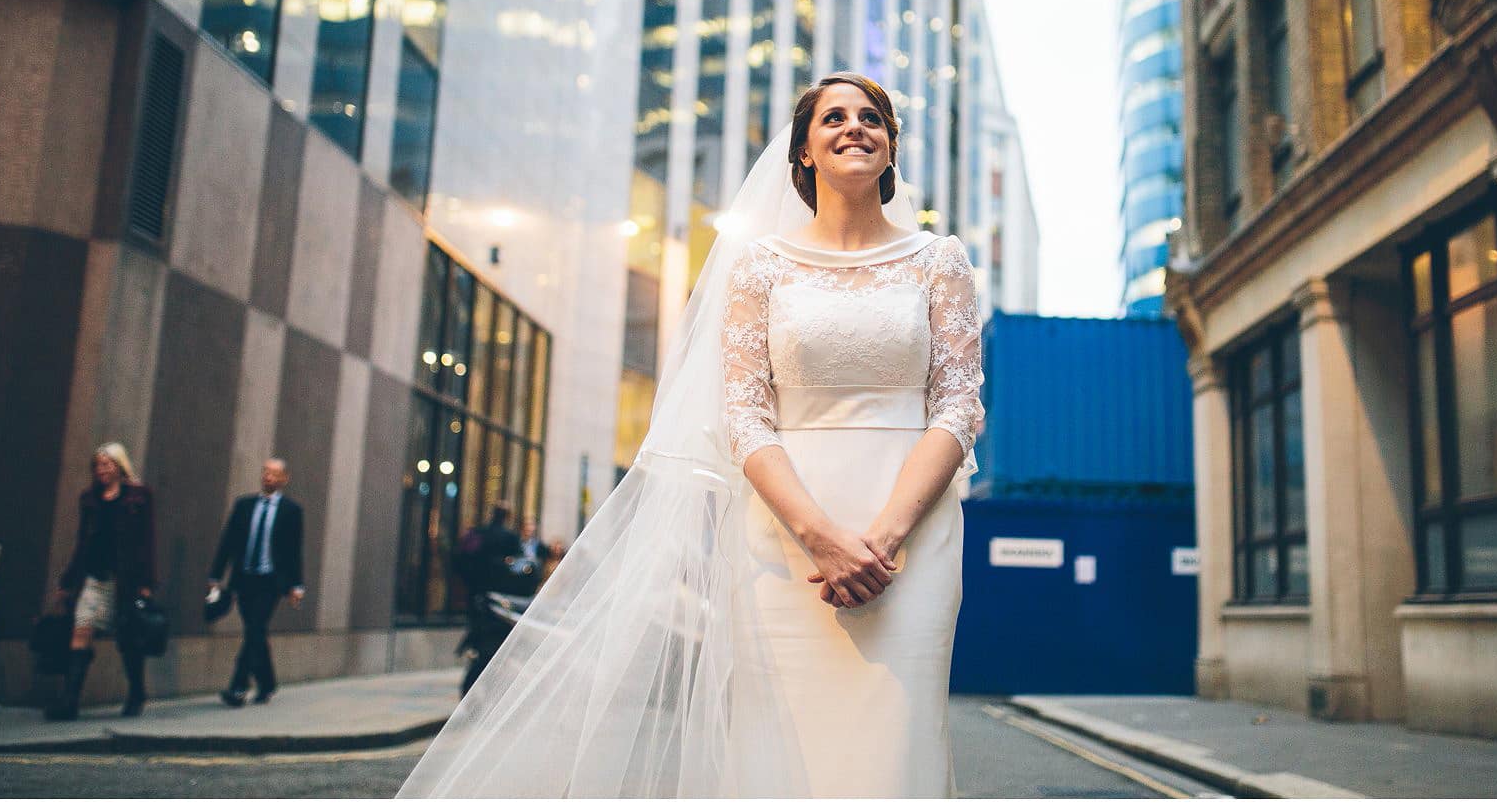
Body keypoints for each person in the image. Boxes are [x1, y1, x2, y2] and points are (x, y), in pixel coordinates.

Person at [400, 72, 984, 797]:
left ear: (891, 146)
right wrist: (823, 539)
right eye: (833, 117)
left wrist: (885, 538)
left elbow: (957, 407)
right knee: (782, 747)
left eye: (872, 117)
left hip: (913, 542)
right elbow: (743, 415)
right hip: (785, 539)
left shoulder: (939, 261)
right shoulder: (760, 265)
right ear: (803, 149)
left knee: (896, 746)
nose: (854, 126)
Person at [48, 443, 157, 720]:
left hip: (124, 581)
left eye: (107, 465)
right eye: (98, 465)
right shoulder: (90, 499)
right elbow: (82, 542)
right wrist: (68, 581)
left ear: (120, 466)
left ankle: (136, 692)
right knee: (81, 630)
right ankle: (69, 701)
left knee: (127, 638)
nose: (102, 470)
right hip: (94, 578)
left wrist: (147, 582)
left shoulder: (139, 497)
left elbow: (147, 541)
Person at [208, 458, 305, 707]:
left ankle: (238, 687)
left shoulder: (291, 511)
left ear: (284, 479)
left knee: (255, 629)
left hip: (271, 581)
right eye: (265, 472)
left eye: (274, 474)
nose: (268, 477)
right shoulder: (244, 505)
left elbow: (295, 551)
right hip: (244, 579)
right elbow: (227, 543)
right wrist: (216, 576)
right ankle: (267, 683)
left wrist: (297, 585)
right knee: (256, 631)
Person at [453, 503, 525, 695]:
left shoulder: (478, 534)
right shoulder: (509, 538)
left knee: (481, 638)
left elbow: (460, 560)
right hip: (498, 598)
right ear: (507, 517)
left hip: (477, 596)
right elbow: (520, 566)